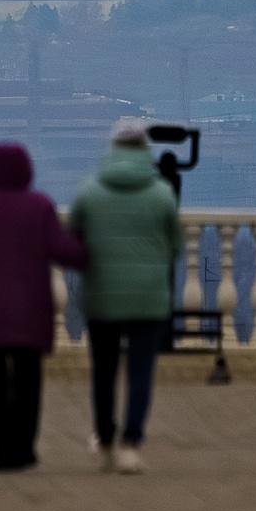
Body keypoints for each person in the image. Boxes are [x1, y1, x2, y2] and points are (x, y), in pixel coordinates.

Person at [0, 142, 88, 473]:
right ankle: (23, 448)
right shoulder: (39, 207)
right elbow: (65, 252)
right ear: (27, 171)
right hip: (29, 315)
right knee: (28, 383)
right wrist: (85, 242)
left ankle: (2, 449)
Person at [70, 119, 184, 474]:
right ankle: (132, 444)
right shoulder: (162, 193)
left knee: (103, 371)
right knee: (140, 372)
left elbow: (73, 242)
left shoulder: (90, 192)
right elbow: (176, 246)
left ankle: (105, 438)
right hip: (148, 296)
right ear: (143, 149)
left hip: (102, 294)